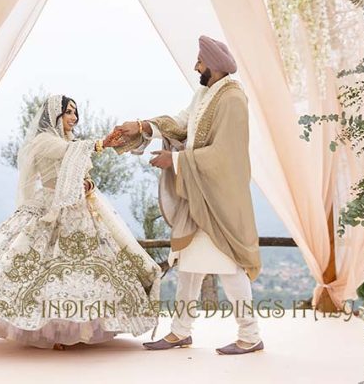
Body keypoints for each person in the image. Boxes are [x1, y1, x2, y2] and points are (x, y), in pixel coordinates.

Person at [0, 94, 161, 349]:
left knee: (79, 271)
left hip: (80, 209)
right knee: (44, 269)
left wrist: (88, 183)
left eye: (75, 112)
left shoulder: (71, 141)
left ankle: (79, 329)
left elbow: (82, 171)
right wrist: (101, 143)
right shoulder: (43, 141)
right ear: (53, 115)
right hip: (49, 206)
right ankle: (53, 332)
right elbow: (67, 153)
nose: (74, 117)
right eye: (68, 111)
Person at [106, 35, 264, 355]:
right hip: (197, 194)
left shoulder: (233, 100)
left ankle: (250, 334)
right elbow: (180, 125)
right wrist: (141, 126)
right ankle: (180, 331)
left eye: (200, 62)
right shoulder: (205, 94)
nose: (196, 66)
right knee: (189, 264)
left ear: (215, 66)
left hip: (217, 199)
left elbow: (226, 154)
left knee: (228, 265)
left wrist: (175, 160)